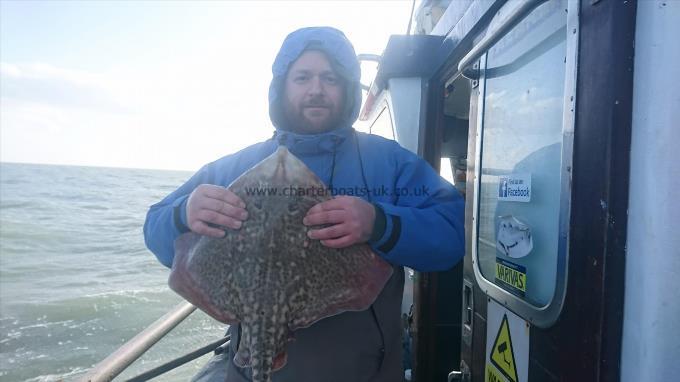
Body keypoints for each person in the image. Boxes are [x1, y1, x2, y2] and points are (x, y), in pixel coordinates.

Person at [143, 26, 465, 382]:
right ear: (282, 87)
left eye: (330, 78)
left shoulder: (388, 164)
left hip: (364, 371)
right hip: (252, 367)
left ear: (346, 89)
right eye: (302, 77)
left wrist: (379, 222)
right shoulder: (234, 168)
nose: (316, 90)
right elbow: (156, 227)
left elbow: (451, 235)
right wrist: (183, 213)